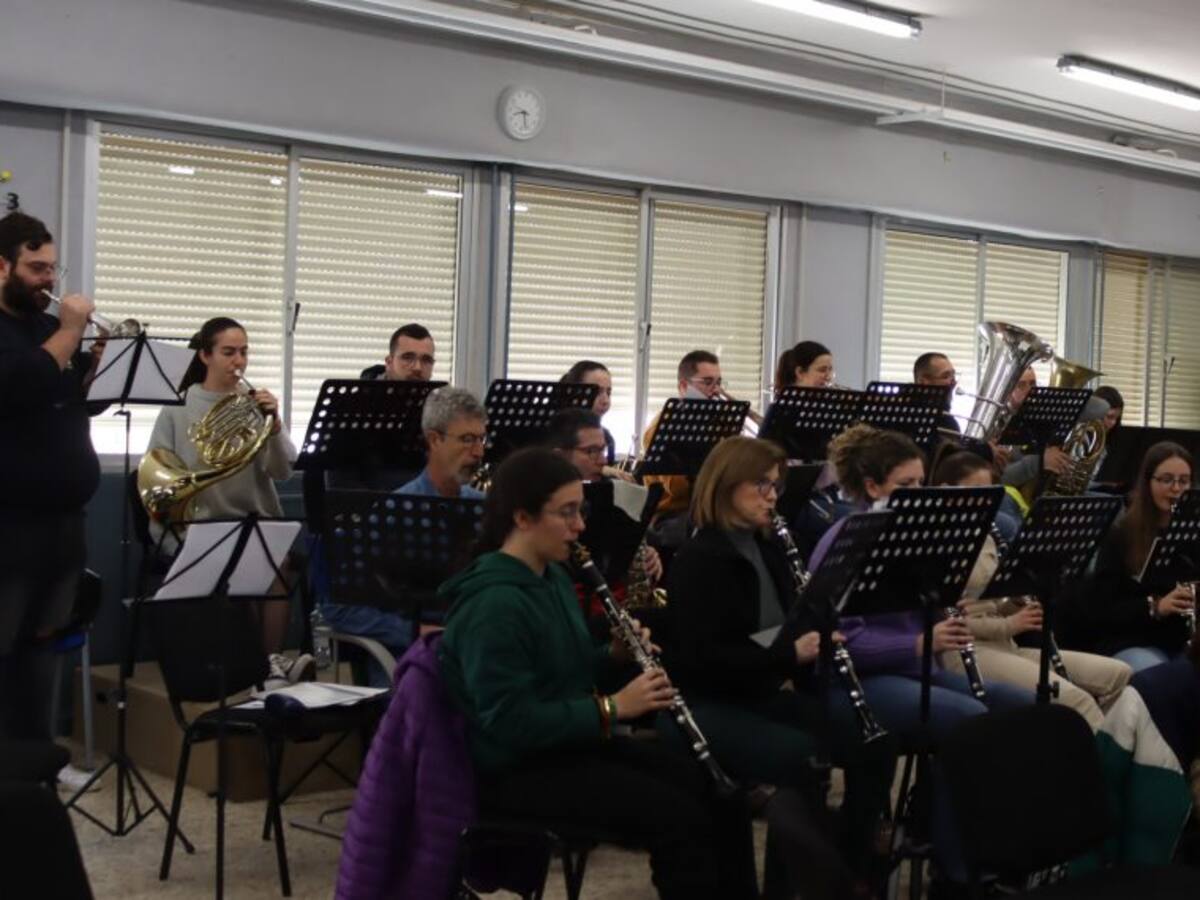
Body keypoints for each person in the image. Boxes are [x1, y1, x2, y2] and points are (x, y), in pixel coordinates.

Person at [438, 447, 759, 900]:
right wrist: (614, 707)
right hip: (514, 771)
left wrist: (613, 656)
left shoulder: (549, 578)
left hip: (566, 746)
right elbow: (509, 722)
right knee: (677, 818)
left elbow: (565, 671)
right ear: (523, 517)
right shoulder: (493, 604)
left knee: (718, 790)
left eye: (580, 511)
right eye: (567, 513)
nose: (580, 526)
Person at [664, 436, 896, 896]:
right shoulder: (700, 559)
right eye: (761, 486)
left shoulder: (766, 546)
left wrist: (820, 625)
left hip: (759, 691)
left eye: (775, 486)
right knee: (804, 760)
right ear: (726, 486)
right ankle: (790, 887)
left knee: (875, 743)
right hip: (707, 703)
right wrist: (791, 654)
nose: (772, 496)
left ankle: (851, 868)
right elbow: (700, 661)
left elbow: (783, 625)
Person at [813, 424, 1034, 741]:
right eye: (906, 483)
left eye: (920, 481)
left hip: (915, 670)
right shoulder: (846, 542)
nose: (918, 491)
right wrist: (918, 643)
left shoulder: (916, 538)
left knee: (1023, 704)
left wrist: (942, 605)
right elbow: (839, 641)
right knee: (970, 718)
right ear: (873, 487)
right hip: (857, 678)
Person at [146, 316, 310, 687]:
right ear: (205, 355)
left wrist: (276, 425)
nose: (238, 361)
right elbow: (159, 472)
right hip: (200, 526)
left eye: (244, 352)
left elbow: (282, 470)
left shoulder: (253, 406)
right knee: (234, 570)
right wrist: (170, 536)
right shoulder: (177, 406)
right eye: (228, 352)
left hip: (256, 520)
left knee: (276, 566)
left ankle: (267, 665)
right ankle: (248, 668)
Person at [932, 451, 1130, 730]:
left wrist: (1016, 602)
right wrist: (1012, 624)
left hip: (1006, 645)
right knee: (1077, 699)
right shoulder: (933, 542)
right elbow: (949, 621)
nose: (985, 502)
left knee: (1119, 675)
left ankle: (1075, 753)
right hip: (967, 652)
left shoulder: (986, 536)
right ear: (946, 492)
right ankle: (1103, 769)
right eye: (976, 492)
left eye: (990, 493)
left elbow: (992, 602)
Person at [0, 211, 102, 740]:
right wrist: (71, 331)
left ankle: (34, 764)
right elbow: (25, 383)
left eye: (53, 270)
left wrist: (99, 368)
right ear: (2, 267)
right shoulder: (36, 332)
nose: (48, 281)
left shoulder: (47, 326)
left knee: (45, 644)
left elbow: (74, 404)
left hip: (64, 524)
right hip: (11, 526)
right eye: (36, 268)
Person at [318, 386, 486, 682]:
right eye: (467, 440)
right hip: (412, 660)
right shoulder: (392, 512)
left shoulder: (483, 508)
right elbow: (339, 609)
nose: (478, 451)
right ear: (434, 439)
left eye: (481, 439)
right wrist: (413, 631)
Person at [1059, 442, 1196, 673]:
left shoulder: (1192, 534)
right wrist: (1156, 607)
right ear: (1147, 482)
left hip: (1181, 640)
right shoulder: (1121, 536)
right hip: (1133, 639)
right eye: (1166, 480)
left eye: (1184, 481)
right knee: (1157, 674)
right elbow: (1102, 610)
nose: (1176, 489)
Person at [642, 350, 722, 541]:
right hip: (670, 517)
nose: (716, 390)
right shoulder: (661, 426)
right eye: (708, 382)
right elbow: (676, 489)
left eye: (718, 382)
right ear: (684, 386)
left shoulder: (718, 423)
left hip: (705, 510)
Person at [560, 359, 625, 473]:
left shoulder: (607, 437)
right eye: (597, 392)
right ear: (574, 394)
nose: (606, 401)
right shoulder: (553, 435)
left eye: (608, 393)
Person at [360, 323, 436, 382]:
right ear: (389, 362)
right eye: (408, 358)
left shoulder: (442, 399)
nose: (418, 368)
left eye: (426, 360)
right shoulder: (361, 400)